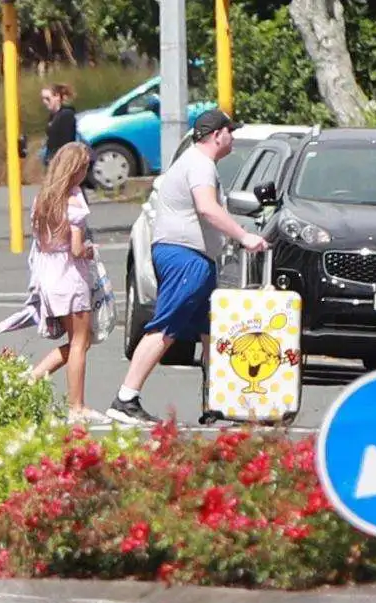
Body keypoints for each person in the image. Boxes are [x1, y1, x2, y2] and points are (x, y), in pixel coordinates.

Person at [105, 109, 269, 426]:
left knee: (210, 331)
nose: (232, 137)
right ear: (217, 134)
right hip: (185, 258)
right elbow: (207, 209)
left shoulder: (197, 164)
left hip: (195, 258)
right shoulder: (199, 165)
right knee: (165, 327)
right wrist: (243, 235)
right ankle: (125, 398)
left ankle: (215, 403)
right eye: (230, 131)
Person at [28, 142, 108, 424]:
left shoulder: (43, 199)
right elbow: (75, 249)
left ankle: (33, 378)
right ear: (75, 170)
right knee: (80, 342)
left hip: (48, 274)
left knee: (77, 340)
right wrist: (88, 249)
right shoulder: (74, 202)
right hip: (70, 275)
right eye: (85, 167)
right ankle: (77, 405)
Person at [41, 83, 77, 166]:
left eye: (47, 98)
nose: (45, 102)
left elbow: (67, 142)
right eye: (43, 99)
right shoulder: (53, 115)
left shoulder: (66, 115)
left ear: (57, 96)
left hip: (63, 162)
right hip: (54, 159)